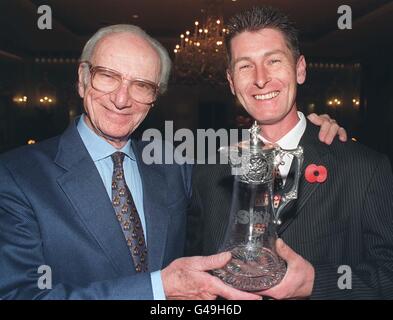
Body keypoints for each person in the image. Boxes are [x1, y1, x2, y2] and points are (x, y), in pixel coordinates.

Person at [0, 24, 345, 300]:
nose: (122, 99)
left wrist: (304, 132)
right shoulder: (17, 177)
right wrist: (159, 289)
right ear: (82, 78)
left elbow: (246, 184)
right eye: (108, 76)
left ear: (155, 98)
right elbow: (18, 294)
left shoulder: (173, 166)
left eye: (142, 85)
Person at [187, 6, 393, 299]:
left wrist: (316, 282)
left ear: (300, 69)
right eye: (245, 66)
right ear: (232, 82)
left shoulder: (364, 168)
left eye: (273, 61)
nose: (261, 79)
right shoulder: (208, 172)